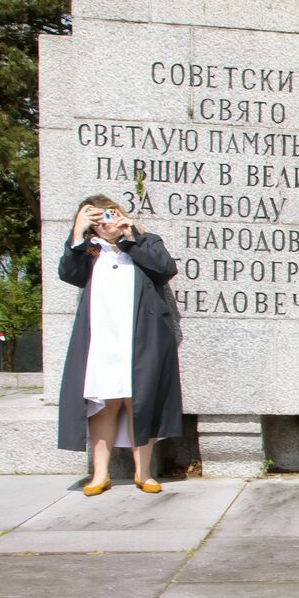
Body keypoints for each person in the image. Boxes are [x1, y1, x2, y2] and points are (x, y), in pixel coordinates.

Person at [57, 194, 183, 495]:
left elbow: (164, 269)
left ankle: (144, 472)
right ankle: (100, 474)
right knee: (105, 401)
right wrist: (77, 233)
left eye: (110, 214)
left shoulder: (143, 240)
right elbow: (69, 274)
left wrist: (131, 236)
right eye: (98, 219)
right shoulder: (87, 251)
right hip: (102, 336)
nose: (107, 223)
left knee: (140, 399)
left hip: (141, 335)